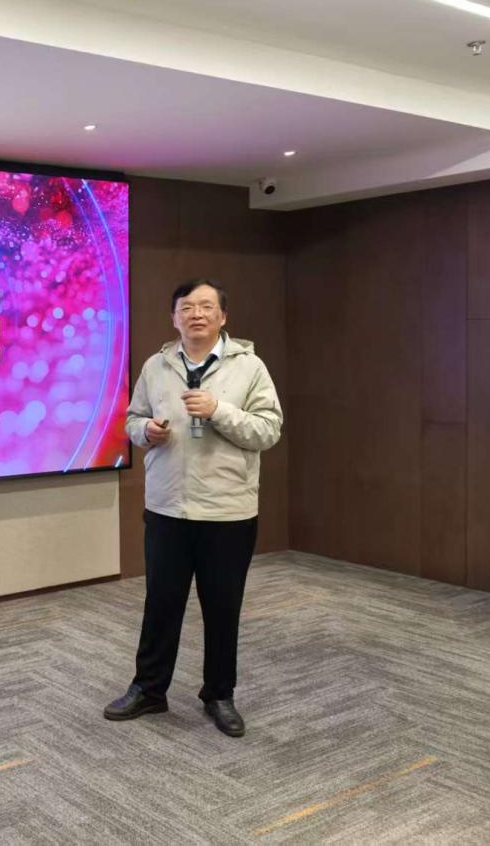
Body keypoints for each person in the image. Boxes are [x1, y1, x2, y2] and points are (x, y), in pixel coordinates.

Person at [104, 280, 283, 737]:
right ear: (174, 318)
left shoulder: (250, 367)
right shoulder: (156, 365)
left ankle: (219, 694)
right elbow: (132, 420)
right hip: (167, 509)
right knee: (160, 604)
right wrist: (146, 431)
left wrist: (219, 410)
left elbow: (268, 430)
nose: (196, 314)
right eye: (187, 308)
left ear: (223, 317)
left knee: (222, 608)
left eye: (206, 307)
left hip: (228, 513)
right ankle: (149, 689)